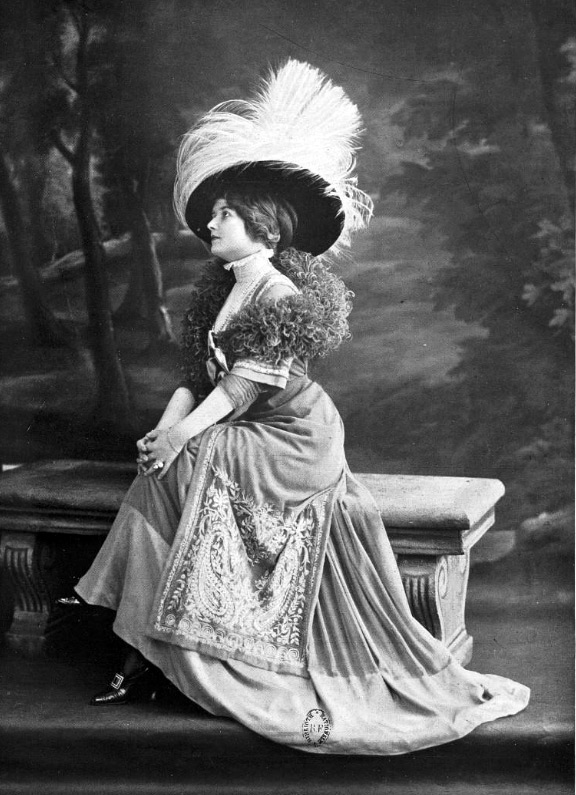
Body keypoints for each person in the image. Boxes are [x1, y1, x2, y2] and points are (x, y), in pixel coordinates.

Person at [76, 60, 529, 755]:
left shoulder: (279, 295)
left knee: (193, 456)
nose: (212, 223)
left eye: (226, 214)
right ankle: (147, 637)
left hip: (294, 437)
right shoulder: (219, 288)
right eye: (214, 213)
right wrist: (163, 430)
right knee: (164, 463)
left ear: (263, 228)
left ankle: (154, 638)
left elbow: (238, 391)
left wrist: (181, 439)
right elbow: (195, 379)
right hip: (248, 424)